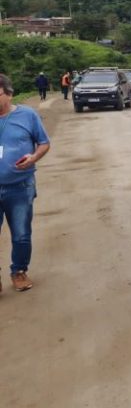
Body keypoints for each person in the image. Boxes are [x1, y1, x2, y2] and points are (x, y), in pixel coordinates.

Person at [0, 73, 50, 293]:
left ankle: (18, 271)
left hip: (20, 186)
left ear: (8, 94)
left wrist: (33, 158)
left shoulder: (27, 115)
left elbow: (44, 143)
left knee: (20, 234)